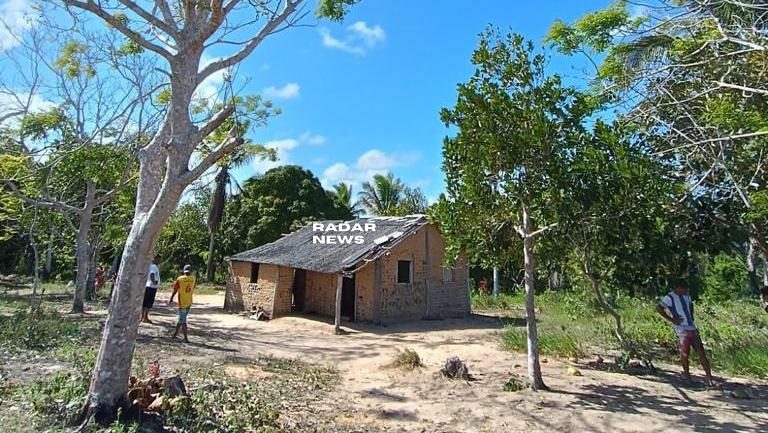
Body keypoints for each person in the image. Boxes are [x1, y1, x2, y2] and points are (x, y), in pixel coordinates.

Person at [655, 279, 715, 386]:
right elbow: (659, 308)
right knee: (685, 353)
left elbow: (690, 306)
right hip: (681, 328)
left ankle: (709, 378)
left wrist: (691, 316)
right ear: (677, 288)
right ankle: (687, 376)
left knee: (701, 351)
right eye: (683, 288)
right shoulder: (670, 297)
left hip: (691, 326)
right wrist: (672, 319)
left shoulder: (687, 296)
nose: (686, 290)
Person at [169, 265, 196, 343]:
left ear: (184, 271)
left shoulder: (180, 279)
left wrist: (171, 298)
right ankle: (175, 334)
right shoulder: (193, 278)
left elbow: (175, 289)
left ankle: (186, 338)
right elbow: (193, 287)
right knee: (181, 318)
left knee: (183, 320)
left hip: (182, 302)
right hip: (189, 301)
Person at [141, 255, 161, 324]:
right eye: (159, 259)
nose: (159, 261)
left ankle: (142, 316)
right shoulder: (154, 266)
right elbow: (152, 274)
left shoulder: (150, 266)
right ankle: (145, 317)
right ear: (155, 259)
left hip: (148, 286)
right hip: (151, 287)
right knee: (148, 303)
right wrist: (154, 281)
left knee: (145, 302)